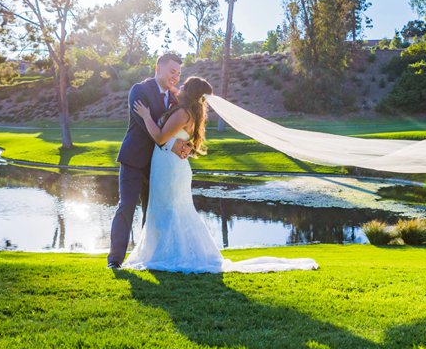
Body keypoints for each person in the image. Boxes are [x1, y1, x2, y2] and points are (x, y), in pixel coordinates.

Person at [120, 76, 318, 274]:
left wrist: (146, 116)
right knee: (170, 209)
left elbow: (160, 137)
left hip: (169, 168)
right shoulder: (191, 113)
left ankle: (169, 254)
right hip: (169, 166)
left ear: (190, 92)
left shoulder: (182, 113)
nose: (180, 86)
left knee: (169, 210)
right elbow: (173, 139)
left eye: (185, 85)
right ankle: (165, 252)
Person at [107, 53, 193, 269]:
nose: (175, 77)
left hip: (158, 165)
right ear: (158, 68)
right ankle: (115, 260)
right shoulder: (139, 90)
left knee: (152, 211)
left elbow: (178, 126)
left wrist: (186, 146)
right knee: (126, 206)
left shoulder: (176, 98)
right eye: (172, 71)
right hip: (133, 160)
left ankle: (149, 258)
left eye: (179, 74)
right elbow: (146, 125)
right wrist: (171, 144)